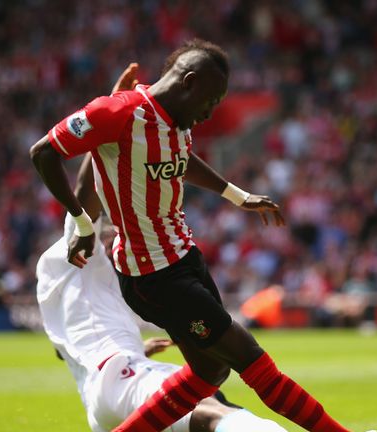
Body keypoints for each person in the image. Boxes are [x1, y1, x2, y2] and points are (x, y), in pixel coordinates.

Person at [31, 40, 368, 432]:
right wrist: (83, 223)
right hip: (153, 274)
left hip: (184, 257)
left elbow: (178, 160)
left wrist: (237, 196)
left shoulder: (175, 123)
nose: (210, 113)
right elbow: (44, 153)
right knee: (252, 360)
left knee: (210, 373)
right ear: (189, 83)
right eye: (211, 101)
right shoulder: (119, 113)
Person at [36, 153, 287, 431]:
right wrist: (107, 130)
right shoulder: (74, 252)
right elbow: (85, 192)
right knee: (210, 408)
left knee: (203, 407)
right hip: (120, 376)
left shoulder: (67, 284)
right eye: (115, 232)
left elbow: (69, 351)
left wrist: (136, 348)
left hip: (102, 398)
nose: (120, 238)